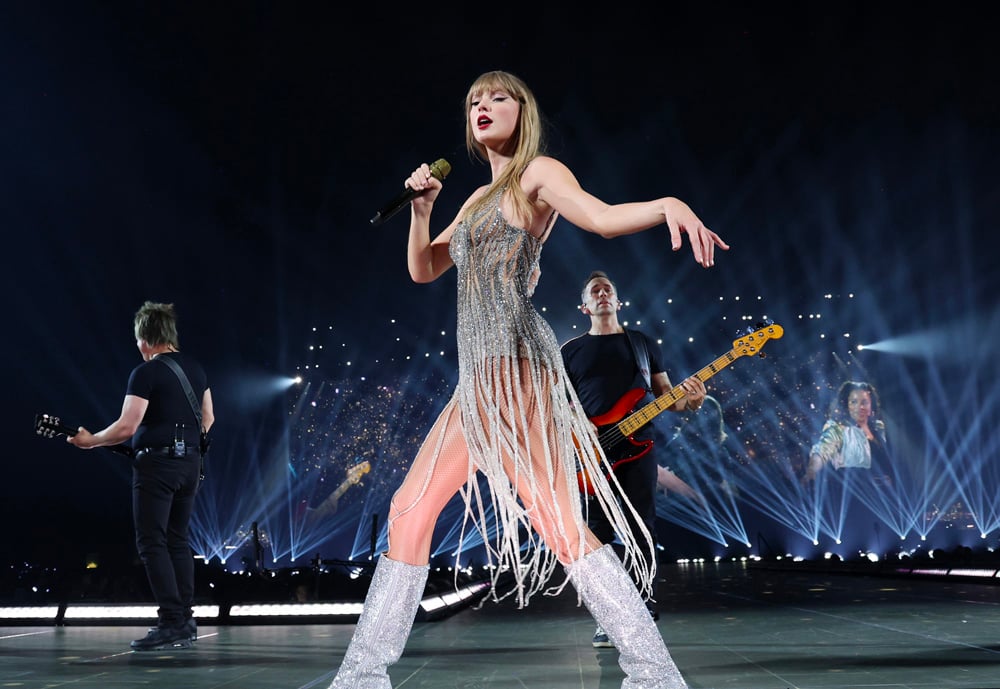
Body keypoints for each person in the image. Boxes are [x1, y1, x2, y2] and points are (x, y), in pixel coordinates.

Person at [325, 70, 727, 689]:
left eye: (498, 98)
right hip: (476, 380)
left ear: (523, 111)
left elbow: (599, 217)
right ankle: (362, 675)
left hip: (516, 367)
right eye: (474, 101)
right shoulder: (474, 201)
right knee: (410, 510)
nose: (483, 107)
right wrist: (424, 210)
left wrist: (668, 205)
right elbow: (425, 267)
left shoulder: (537, 173)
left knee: (559, 524)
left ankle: (654, 671)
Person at [560, 270, 706, 648]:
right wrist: (581, 429)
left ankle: (642, 606)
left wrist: (692, 400)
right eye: (595, 290)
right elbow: (559, 407)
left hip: (639, 450)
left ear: (618, 301)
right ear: (585, 306)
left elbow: (667, 397)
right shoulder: (570, 351)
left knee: (642, 530)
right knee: (598, 538)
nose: (603, 292)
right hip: (590, 456)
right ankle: (608, 618)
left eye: (609, 288)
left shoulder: (642, 344)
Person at [67, 301, 214, 651]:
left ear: (146, 338)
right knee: (178, 540)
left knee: (152, 542)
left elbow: (127, 426)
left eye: (138, 341)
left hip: (158, 467)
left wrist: (91, 441)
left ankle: (171, 621)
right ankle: (185, 619)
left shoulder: (145, 372)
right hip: (190, 466)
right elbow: (208, 418)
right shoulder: (195, 368)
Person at [802, 380, 889, 484]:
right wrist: (812, 470)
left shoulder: (879, 428)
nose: (860, 407)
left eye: (864, 402)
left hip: (885, 494)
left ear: (871, 405)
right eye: (854, 402)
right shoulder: (838, 430)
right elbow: (822, 450)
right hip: (855, 493)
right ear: (847, 405)